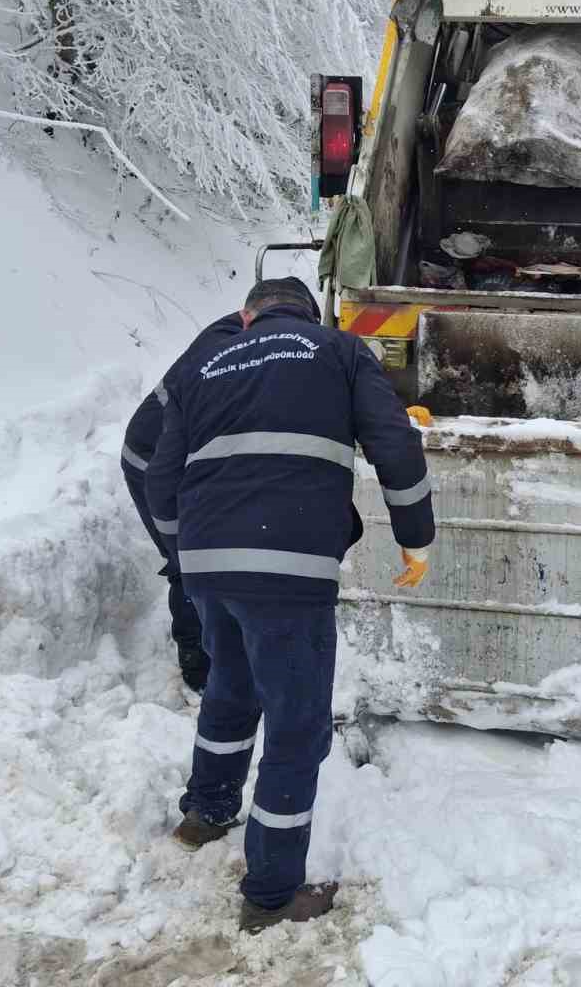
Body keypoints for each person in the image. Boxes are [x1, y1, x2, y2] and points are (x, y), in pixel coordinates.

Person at [147, 276, 435, 932]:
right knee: (297, 726)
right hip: (288, 569)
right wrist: (416, 535)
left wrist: (186, 549)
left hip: (208, 566)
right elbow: (394, 444)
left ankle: (207, 812)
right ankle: (272, 894)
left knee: (230, 686)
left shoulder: (205, 366)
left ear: (248, 318)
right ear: (307, 314)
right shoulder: (339, 351)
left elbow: (161, 481)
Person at [121, 311, 243, 692]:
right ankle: (199, 669)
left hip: (164, 454)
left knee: (197, 556)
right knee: (188, 561)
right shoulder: (226, 351)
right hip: (154, 460)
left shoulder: (234, 333)